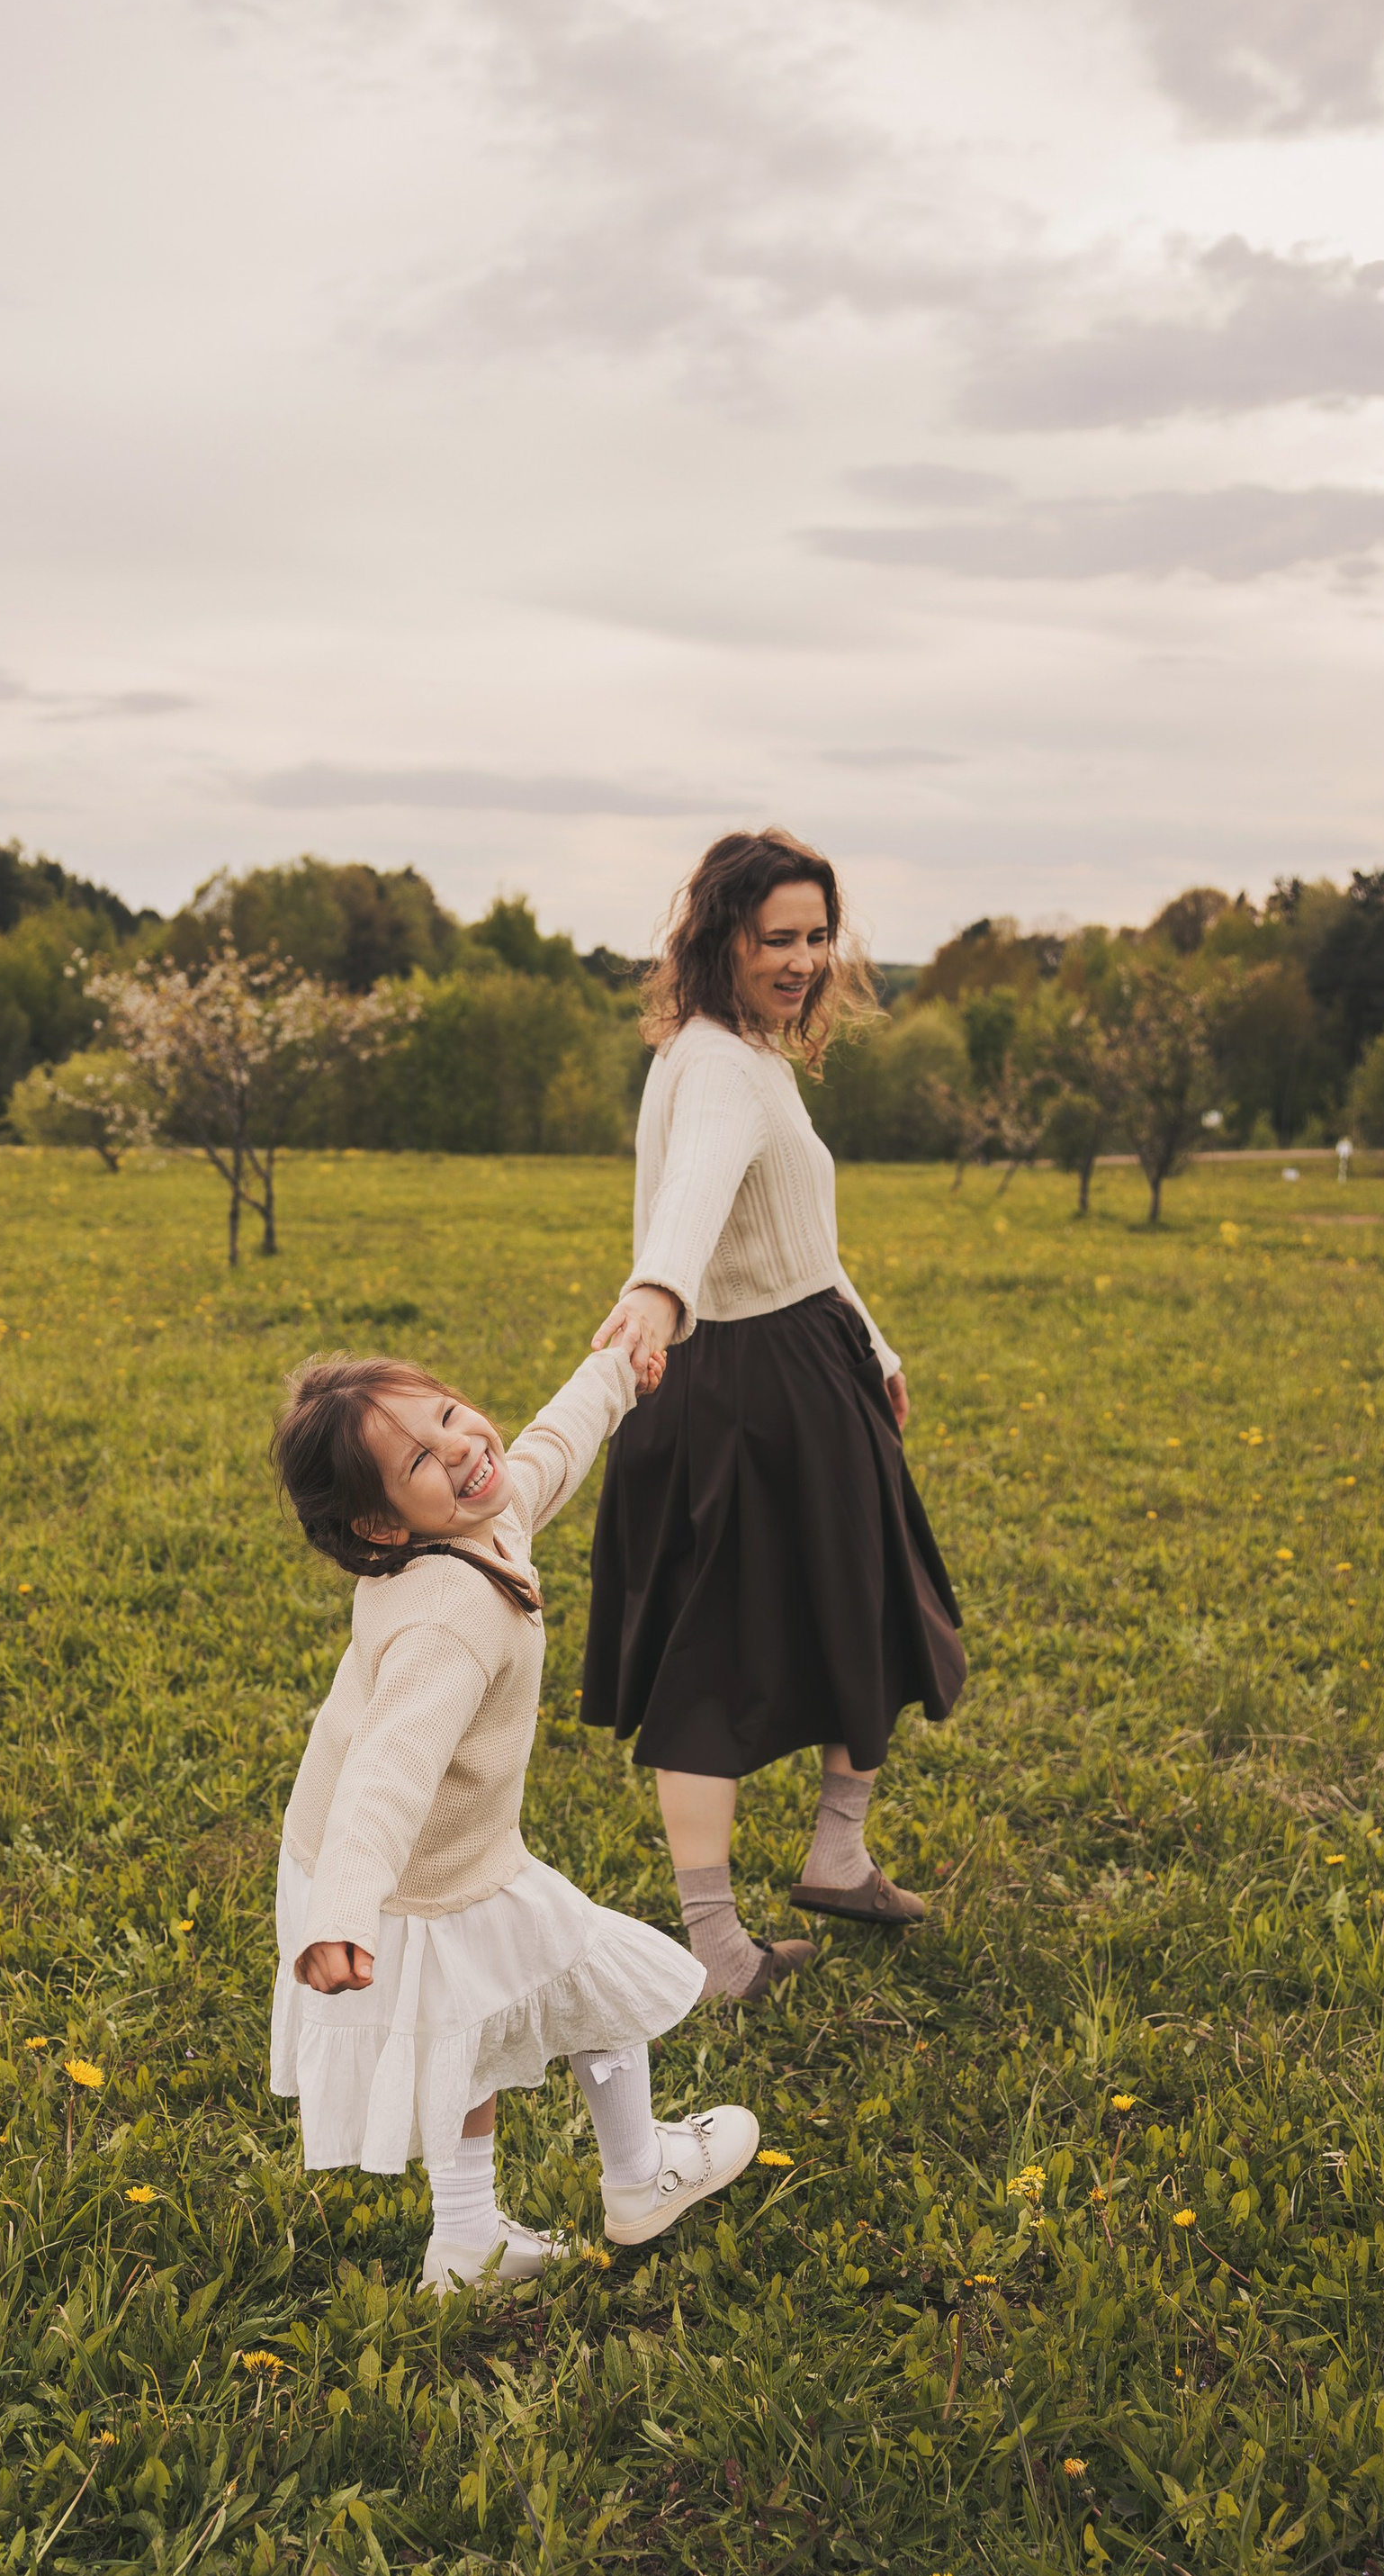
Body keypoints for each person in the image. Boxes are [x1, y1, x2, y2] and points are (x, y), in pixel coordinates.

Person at [268, 1336, 760, 2291]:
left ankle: (466, 2244)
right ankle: (640, 2175)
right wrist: (342, 1913)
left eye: (448, 1416)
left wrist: (622, 1367)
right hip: (398, 1877)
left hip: (401, 1869)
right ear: (379, 1525)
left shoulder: (472, 1521)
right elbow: (389, 1768)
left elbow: (552, 1444)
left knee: (475, 2027)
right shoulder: (448, 1614)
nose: (457, 1448)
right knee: (593, 1980)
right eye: (418, 1460)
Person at [581, 826, 966, 1998]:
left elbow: (799, 1236)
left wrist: (875, 1341)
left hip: (808, 1358)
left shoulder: (747, 1052)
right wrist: (655, 1292)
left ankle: (837, 1858)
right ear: (720, 939)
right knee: (716, 1666)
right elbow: (694, 1200)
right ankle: (716, 1950)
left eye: (816, 937)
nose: (802, 961)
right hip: (744, 1385)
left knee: (876, 1607)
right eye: (776, 939)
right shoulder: (715, 1068)